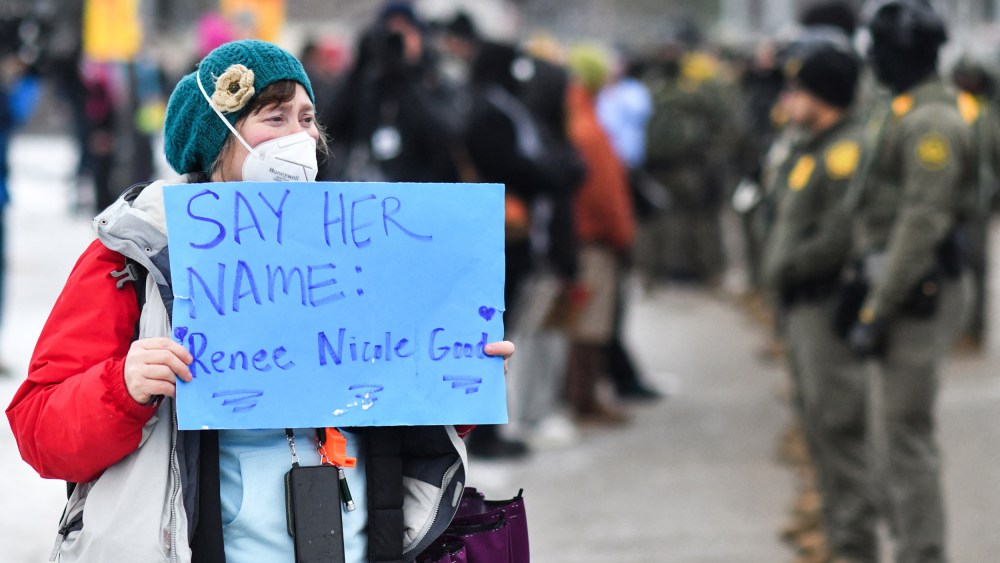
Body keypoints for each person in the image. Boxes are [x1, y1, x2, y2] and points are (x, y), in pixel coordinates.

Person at [5, 39, 514, 563]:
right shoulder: (135, 255)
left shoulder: (360, 249)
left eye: (308, 117)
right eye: (275, 118)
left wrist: (454, 376)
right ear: (219, 139)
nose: (300, 136)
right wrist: (123, 387)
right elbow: (40, 430)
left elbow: (394, 404)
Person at [844, 2, 974, 561]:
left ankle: (922, 552)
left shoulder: (931, 123)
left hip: (917, 292)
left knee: (905, 440)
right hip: (895, 285)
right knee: (885, 439)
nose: (872, 59)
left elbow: (922, 223)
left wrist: (878, 307)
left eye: (880, 47)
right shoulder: (901, 109)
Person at [759, 35, 867, 562]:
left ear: (821, 94)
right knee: (817, 422)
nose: (787, 98)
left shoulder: (847, 149)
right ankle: (832, 525)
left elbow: (839, 233)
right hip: (800, 304)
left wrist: (786, 268)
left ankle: (853, 545)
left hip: (825, 303)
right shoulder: (809, 144)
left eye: (797, 89)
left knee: (840, 427)